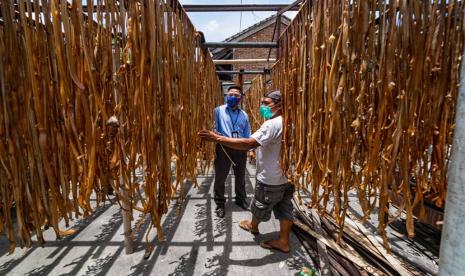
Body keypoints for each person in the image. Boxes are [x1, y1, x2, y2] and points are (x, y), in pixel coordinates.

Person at [199, 90, 294, 253]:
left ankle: (249, 218)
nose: (262, 106)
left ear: (279, 105)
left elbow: (249, 140)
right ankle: (283, 240)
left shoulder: (263, 121)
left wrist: (217, 138)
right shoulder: (291, 121)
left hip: (265, 171)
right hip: (286, 175)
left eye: (266, 103)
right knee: (285, 207)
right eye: (230, 94)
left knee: (255, 196)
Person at [212, 85, 251, 218]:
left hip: (240, 147)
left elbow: (247, 132)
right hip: (223, 147)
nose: (233, 96)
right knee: (220, 177)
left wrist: (248, 148)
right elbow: (213, 127)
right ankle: (220, 203)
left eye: (236, 95)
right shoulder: (218, 111)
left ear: (240, 98)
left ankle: (240, 200)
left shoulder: (244, 114)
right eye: (231, 94)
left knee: (240, 176)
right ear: (226, 96)